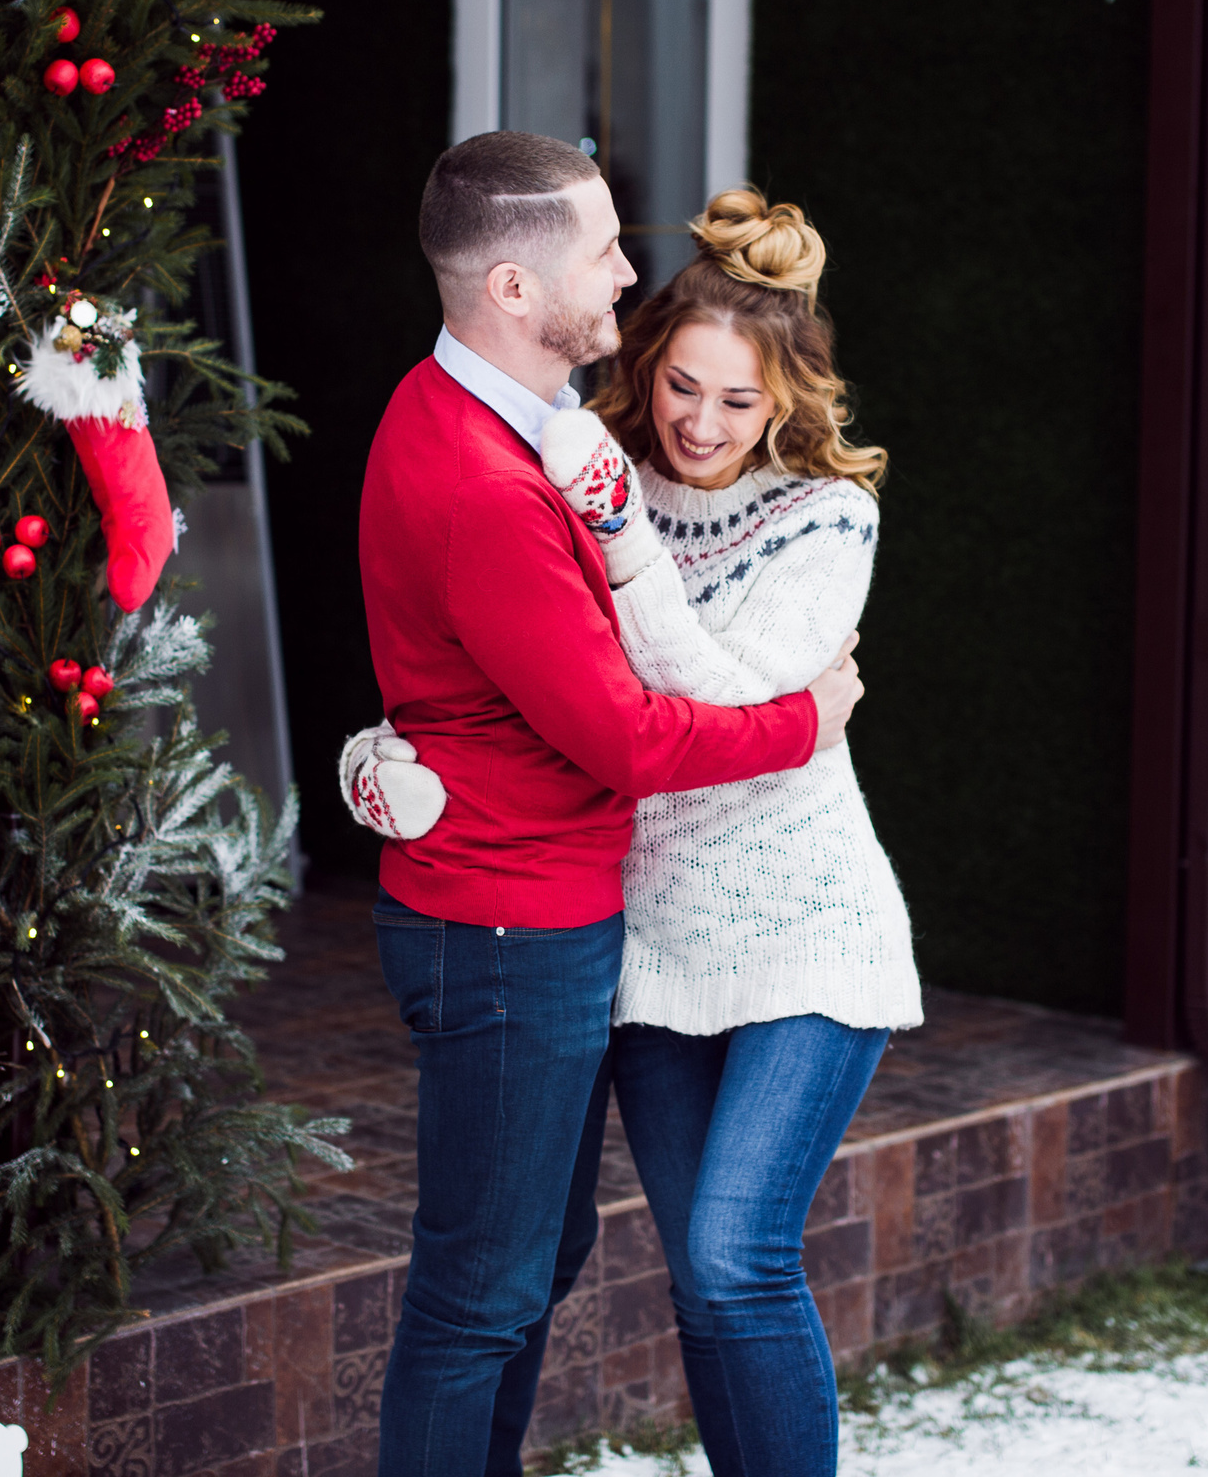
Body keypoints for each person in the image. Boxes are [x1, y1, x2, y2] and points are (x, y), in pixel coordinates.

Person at [343, 188, 920, 1477]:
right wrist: (397, 740)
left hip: (803, 928)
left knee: (731, 1257)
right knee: (661, 1279)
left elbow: (716, 692)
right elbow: (524, 663)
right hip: (645, 941)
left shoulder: (822, 515)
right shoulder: (574, 467)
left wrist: (627, 545)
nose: (701, 424)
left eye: (739, 401)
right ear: (649, 371)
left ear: (783, 403)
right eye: (682, 388)